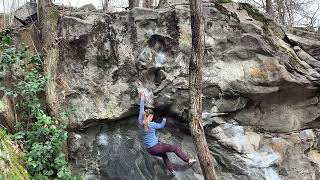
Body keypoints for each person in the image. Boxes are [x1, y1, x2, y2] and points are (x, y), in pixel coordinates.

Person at [138, 91, 196, 175]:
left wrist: (142, 97)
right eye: (152, 117)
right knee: (174, 148)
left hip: (149, 150)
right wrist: (164, 119)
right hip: (156, 147)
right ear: (150, 116)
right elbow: (161, 125)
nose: (152, 118)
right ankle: (188, 160)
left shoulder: (140, 120)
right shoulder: (152, 124)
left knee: (164, 155)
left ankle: (172, 171)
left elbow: (141, 108)